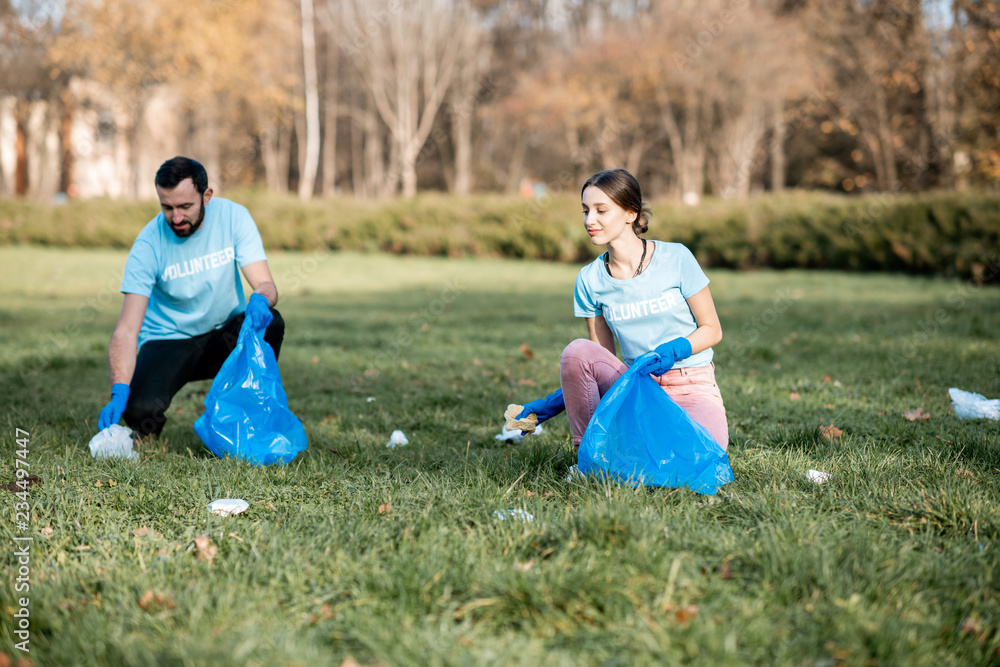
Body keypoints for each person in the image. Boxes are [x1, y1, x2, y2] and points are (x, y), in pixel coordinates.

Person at [518, 168, 729, 450]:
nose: (589, 220)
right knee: (577, 350)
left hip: (690, 383)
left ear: (631, 214)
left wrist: (676, 349)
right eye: (585, 210)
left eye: (601, 210)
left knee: (702, 456)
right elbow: (599, 360)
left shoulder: (676, 258)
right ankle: (589, 456)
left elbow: (712, 329)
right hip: (637, 388)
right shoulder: (589, 279)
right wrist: (557, 401)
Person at [97, 156, 284, 439]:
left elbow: (265, 284)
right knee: (140, 410)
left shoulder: (234, 217)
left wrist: (261, 298)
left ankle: (243, 416)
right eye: (167, 207)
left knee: (271, 323)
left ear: (206, 196)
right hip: (170, 341)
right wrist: (119, 390)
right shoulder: (148, 245)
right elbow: (126, 330)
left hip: (225, 335)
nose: (177, 217)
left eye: (185, 206)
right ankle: (145, 427)